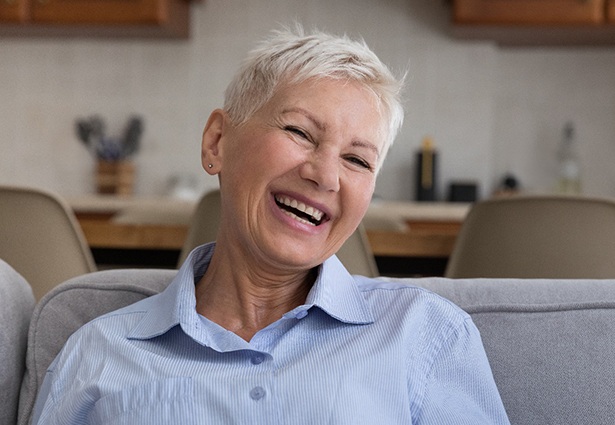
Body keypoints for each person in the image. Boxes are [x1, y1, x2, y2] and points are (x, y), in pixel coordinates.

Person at [32, 26, 510, 424]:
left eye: (357, 160)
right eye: (300, 132)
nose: (325, 175)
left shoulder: (425, 335)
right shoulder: (98, 354)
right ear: (217, 141)